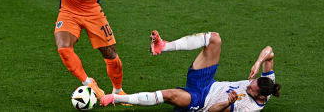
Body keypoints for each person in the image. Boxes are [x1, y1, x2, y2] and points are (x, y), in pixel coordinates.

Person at [101, 30, 281, 111]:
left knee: (169, 95)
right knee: (215, 39)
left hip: (201, 101)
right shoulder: (267, 85)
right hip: (207, 83)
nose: (248, 85)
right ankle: (163, 46)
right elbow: (270, 52)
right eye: (252, 82)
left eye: (251, 89)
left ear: (260, 97)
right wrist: (258, 63)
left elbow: (213, 111)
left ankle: (116, 98)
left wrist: (227, 102)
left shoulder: (247, 108)